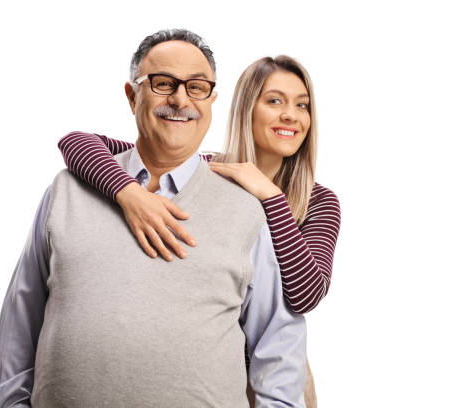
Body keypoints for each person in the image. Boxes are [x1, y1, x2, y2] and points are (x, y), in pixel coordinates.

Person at [0, 29, 306, 408]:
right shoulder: (68, 190)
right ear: (131, 94)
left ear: (212, 99)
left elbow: (278, 339)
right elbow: (21, 313)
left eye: (197, 87)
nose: (179, 99)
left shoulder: (245, 206)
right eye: (162, 83)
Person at [56, 56, 341, 408]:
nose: (291, 116)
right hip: (205, 375)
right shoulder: (204, 170)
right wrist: (128, 194)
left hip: (275, 378)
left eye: (303, 105)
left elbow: (305, 295)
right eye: (275, 101)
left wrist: (270, 196)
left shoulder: (319, 201)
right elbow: (77, 143)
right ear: (246, 109)